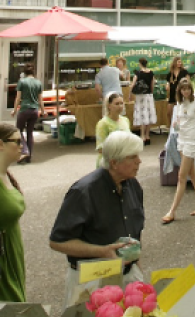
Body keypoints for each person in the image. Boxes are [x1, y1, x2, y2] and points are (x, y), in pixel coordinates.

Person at [49, 131, 144, 308]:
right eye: (133, 157)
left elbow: (135, 231)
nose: (139, 161)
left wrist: (138, 268)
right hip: (92, 281)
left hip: (129, 274)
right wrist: (102, 251)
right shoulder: (83, 192)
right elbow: (57, 242)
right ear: (114, 162)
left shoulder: (132, 185)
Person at [163, 79, 195, 224]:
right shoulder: (180, 103)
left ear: (191, 89)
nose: (186, 91)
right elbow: (178, 122)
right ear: (179, 91)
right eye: (183, 89)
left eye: (188, 89)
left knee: (181, 176)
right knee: (192, 174)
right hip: (181, 140)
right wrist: (176, 125)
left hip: (192, 141)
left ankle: (172, 211)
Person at [0, 124, 26, 301]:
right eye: (16, 141)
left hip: (13, 253)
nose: (21, 145)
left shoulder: (6, 175)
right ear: (1, 145)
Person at [11, 63, 46, 164]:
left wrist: (14, 110)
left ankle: (25, 151)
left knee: (18, 131)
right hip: (34, 110)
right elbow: (40, 99)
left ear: (24, 72)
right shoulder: (38, 83)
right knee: (30, 132)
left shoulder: (22, 82)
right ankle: (29, 156)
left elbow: (18, 98)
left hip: (24, 109)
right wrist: (43, 111)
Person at [95, 92, 131, 168]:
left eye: (122, 103)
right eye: (117, 104)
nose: (120, 106)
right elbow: (100, 149)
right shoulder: (103, 123)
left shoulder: (125, 120)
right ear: (109, 106)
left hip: (124, 162)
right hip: (109, 164)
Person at [129, 58, 157, 146]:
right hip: (149, 96)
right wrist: (151, 93)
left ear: (140, 63)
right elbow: (152, 84)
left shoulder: (138, 73)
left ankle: (142, 136)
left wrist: (129, 94)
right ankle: (148, 136)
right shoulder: (151, 73)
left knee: (142, 115)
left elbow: (133, 84)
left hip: (140, 96)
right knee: (148, 115)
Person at [166, 56, 190, 126]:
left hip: (181, 95)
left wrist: (181, 87)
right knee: (169, 112)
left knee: (180, 112)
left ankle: (180, 127)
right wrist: (167, 85)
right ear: (174, 62)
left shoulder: (184, 72)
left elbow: (188, 83)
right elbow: (168, 82)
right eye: (178, 62)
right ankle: (172, 128)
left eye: (180, 62)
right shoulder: (170, 73)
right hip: (172, 95)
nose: (180, 63)